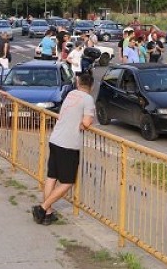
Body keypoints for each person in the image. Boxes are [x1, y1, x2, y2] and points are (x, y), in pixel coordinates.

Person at [32, 71, 95, 225]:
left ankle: (47, 214)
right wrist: (82, 124)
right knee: (67, 182)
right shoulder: (88, 100)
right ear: (91, 86)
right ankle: (43, 208)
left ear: (78, 83)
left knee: (51, 177)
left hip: (55, 138)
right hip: (69, 144)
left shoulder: (71, 93)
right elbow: (87, 123)